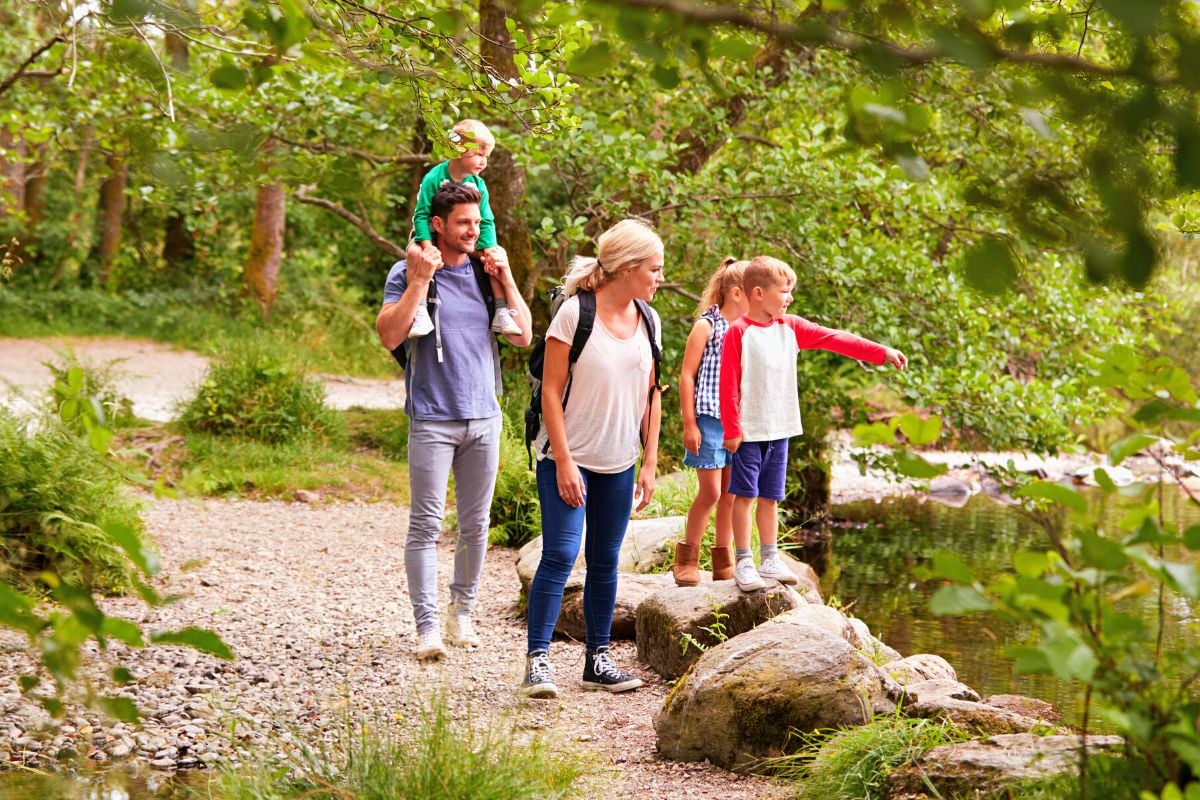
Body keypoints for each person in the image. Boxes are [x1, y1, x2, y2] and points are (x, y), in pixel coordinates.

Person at [377, 182, 533, 661]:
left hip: (484, 417)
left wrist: (506, 279)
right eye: (463, 222)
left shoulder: (487, 277)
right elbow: (388, 336)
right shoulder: (406, 272)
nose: (473, 230)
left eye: (477, 221)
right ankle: (427, 628)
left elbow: (525, 337)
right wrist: (422, 281)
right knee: (424, 525)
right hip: (431, 417)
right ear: (438, 225)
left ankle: (460, 611)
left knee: (476, 525)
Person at [522, 218, 665, 699]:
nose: (659, 278)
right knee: (562, 553)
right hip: (568, 455)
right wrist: (563, 462)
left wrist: (649, 463)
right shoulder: (574, 314)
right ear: (626, 268)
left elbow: (652, 394)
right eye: (654, 268)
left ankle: (597, 661)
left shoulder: (649, 319)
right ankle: (538, 662)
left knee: (605, 559)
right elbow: (552, 391)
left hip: (620, 460)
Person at [719, 255, 907, 592]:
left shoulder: (790, 327)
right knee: (743, 496)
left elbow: (835, 338)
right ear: (758, 293)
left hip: (782, 428)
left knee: (770, 497)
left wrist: (881, 352)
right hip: (749, 432)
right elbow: (728, 383)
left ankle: (769, 558)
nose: (790, 297)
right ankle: (744, 561)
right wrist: (731, 429)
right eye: (784, 290)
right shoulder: (738, 332)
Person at [406, 119, 522, 339]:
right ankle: (420, 310)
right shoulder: (434, 178)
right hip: (430, 234)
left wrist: (489, 248)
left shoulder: (478, 184)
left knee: (496, 257)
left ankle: (501, 309)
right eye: (479, 155)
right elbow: (421, 215)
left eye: (486, 156)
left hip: (468, 236)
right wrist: (428, 247)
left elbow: (486, 220)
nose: (483, 162)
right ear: (457, 150)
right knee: (414, 253)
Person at [671, 257, 749, 587]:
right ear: (735, 292)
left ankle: (723, 560)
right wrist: (690, 423)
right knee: (711, 492)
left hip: (738, 422)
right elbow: (687, 376)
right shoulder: (708, 326)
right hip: (708, 420)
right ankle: (686, 560)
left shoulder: (748, 328)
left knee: (731, 493)